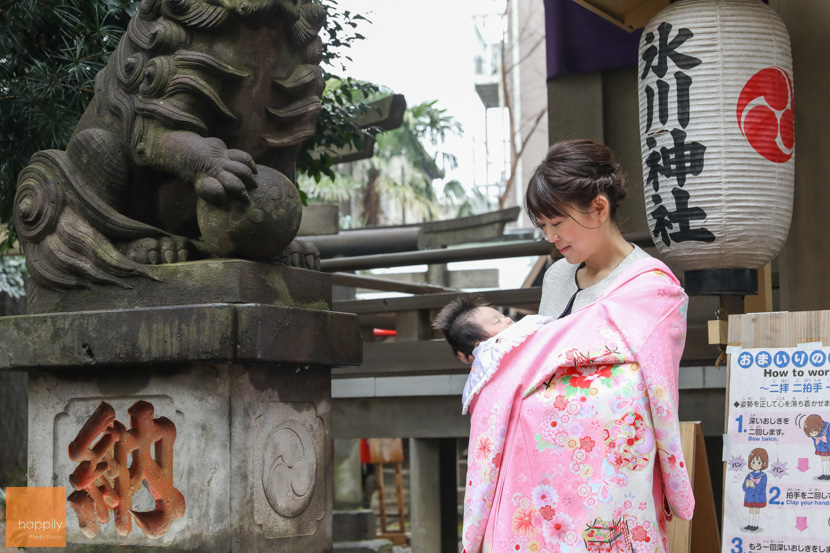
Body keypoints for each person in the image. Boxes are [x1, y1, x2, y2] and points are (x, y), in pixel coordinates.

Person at [461, 139, 695, 553]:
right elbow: (539, 364)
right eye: (544, 227)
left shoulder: (654, 290)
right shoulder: (556, 278)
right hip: (539, 481)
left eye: (557, 223)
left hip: (608, 481)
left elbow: (638, 394)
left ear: (599, 209)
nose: (551, 237)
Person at [741, 447, 768, 531]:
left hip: (758, 498)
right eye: (753, 462)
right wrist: (747, 485)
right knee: (751, 510)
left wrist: (753, 485)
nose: (756, 464)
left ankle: (755, 525)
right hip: (749, 497)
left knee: (756, 510)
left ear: (764, 463)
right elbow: (744, 487)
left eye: (759, 462)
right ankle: (750, 524)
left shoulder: (763, 475)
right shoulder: (749, 474)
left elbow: (761, 488)